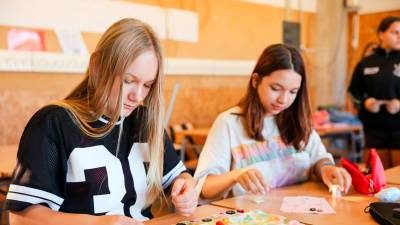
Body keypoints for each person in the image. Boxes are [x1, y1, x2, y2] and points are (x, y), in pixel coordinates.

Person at [4, 18, 198, 225]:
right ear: (97, 66)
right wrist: (96, 223)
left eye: (148, 85)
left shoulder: (144, 122)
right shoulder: (54, 123)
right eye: (128, 81)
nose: (138, 96)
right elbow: (20, 219)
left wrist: (185, 187)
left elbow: (179, 177)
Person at [194, 44, 352, 200]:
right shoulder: (229, 123)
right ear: (256, 81)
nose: (283, 99)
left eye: (292, 92)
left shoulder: (298, 120)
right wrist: (235, 175)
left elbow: (318, 157)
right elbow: (205, 188)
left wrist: (326, 169)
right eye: (276, 88)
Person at [348, 16, 400, 169]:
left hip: (399, 128)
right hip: (374, 130)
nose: (399, 36)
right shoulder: (366, 63)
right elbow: (353, 93)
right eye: (394, 32)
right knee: (377, 178)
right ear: (381, 34)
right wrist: (365, 103)